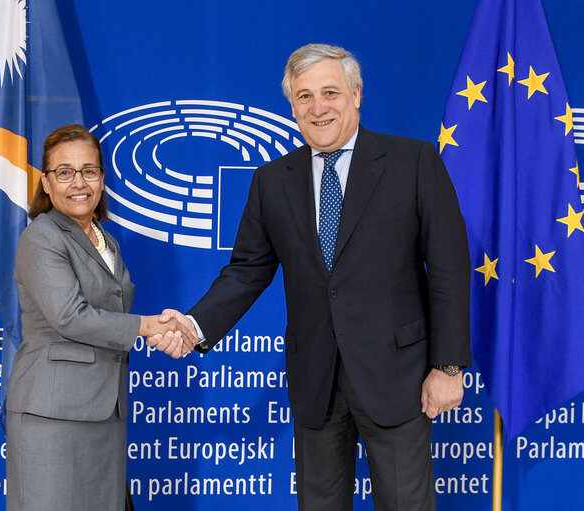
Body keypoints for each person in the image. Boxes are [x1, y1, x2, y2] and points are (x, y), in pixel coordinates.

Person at [160, 44, 471, 510]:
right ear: (292, 105)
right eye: (304, 96)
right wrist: (194, 325)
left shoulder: (414, 163)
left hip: (398, 378)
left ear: (356, 94)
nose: (317, 107)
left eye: (330, 92)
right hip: (315, 382)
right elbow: (247, 271)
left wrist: (448, 366)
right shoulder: (272, 181)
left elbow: (449, 268)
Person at [5, 124, 196, 511]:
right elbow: (70, 317)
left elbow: (109, 313)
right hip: (53, 417)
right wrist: (149, 327)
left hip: (104, 411)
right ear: (46, 182)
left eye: (89, 171)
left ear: (102, 179)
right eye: (65, 172)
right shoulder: (41, 237)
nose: (79, 182)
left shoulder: (103, 238)